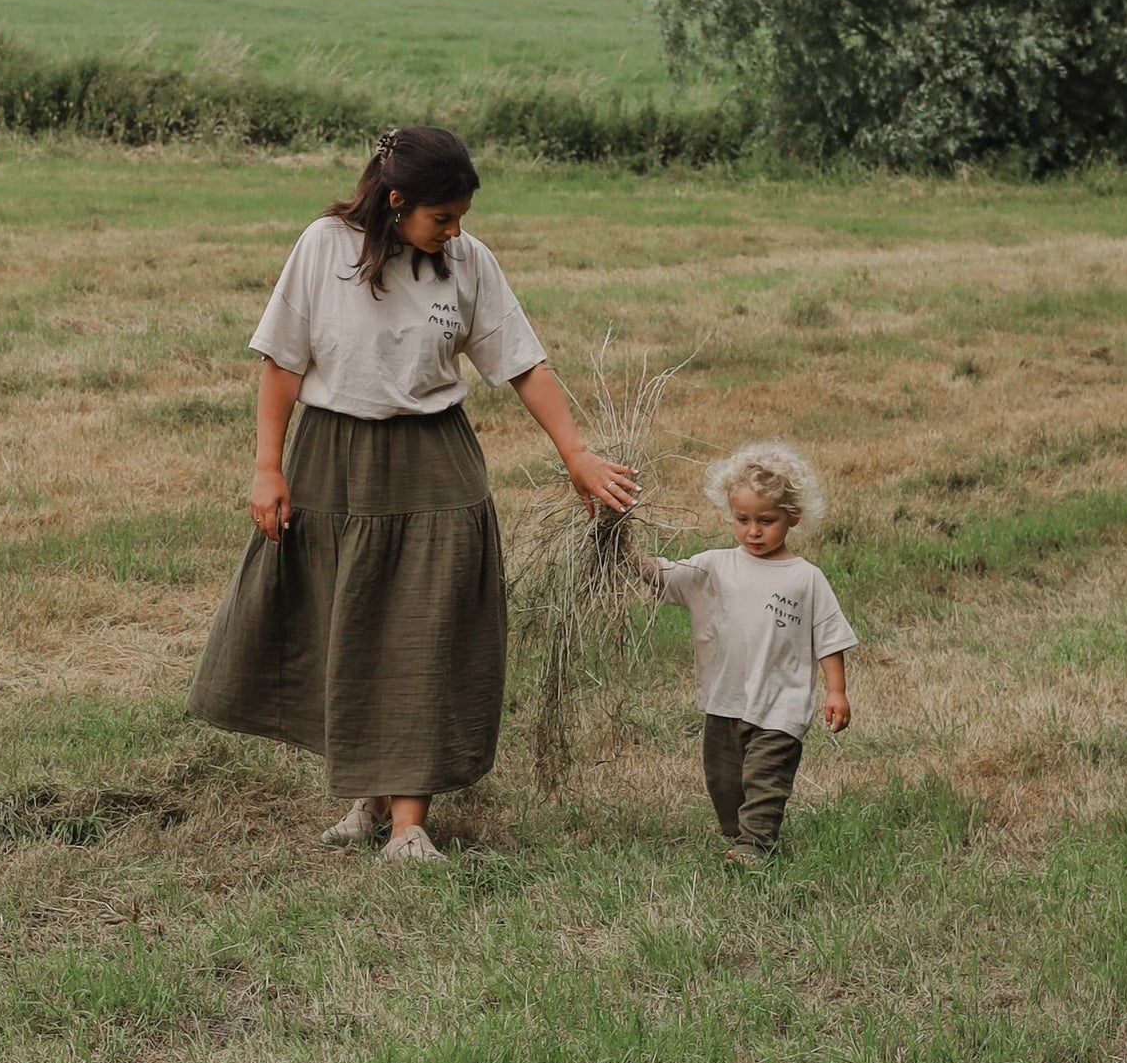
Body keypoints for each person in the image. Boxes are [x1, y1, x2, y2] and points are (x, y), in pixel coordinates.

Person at [187, 126, 639, 862]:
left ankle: (408, 826)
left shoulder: (467, 262)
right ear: (396, 202)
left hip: (435, 460)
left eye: (461, 217)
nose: (456, 231)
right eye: (443, 217)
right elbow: (281, 362)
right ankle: (366, 798)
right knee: (348, 621)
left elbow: (522, 363)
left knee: (424, 629)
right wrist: (267, 467)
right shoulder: (322, 247)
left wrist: (577, 455)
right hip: (332, 457)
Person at [633, 442, 856, 867]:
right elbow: (665, 574)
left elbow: (829, 637)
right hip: (725, 699)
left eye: (767, 521)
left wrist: (836, 691)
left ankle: (755, 845)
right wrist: (621, 548)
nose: (754, 531)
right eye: (743, 520)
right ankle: (738, 835)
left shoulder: (805, 579)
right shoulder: (715, 567)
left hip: (780, 704)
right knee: (724, 781)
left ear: (794, 517)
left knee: (765, 779)